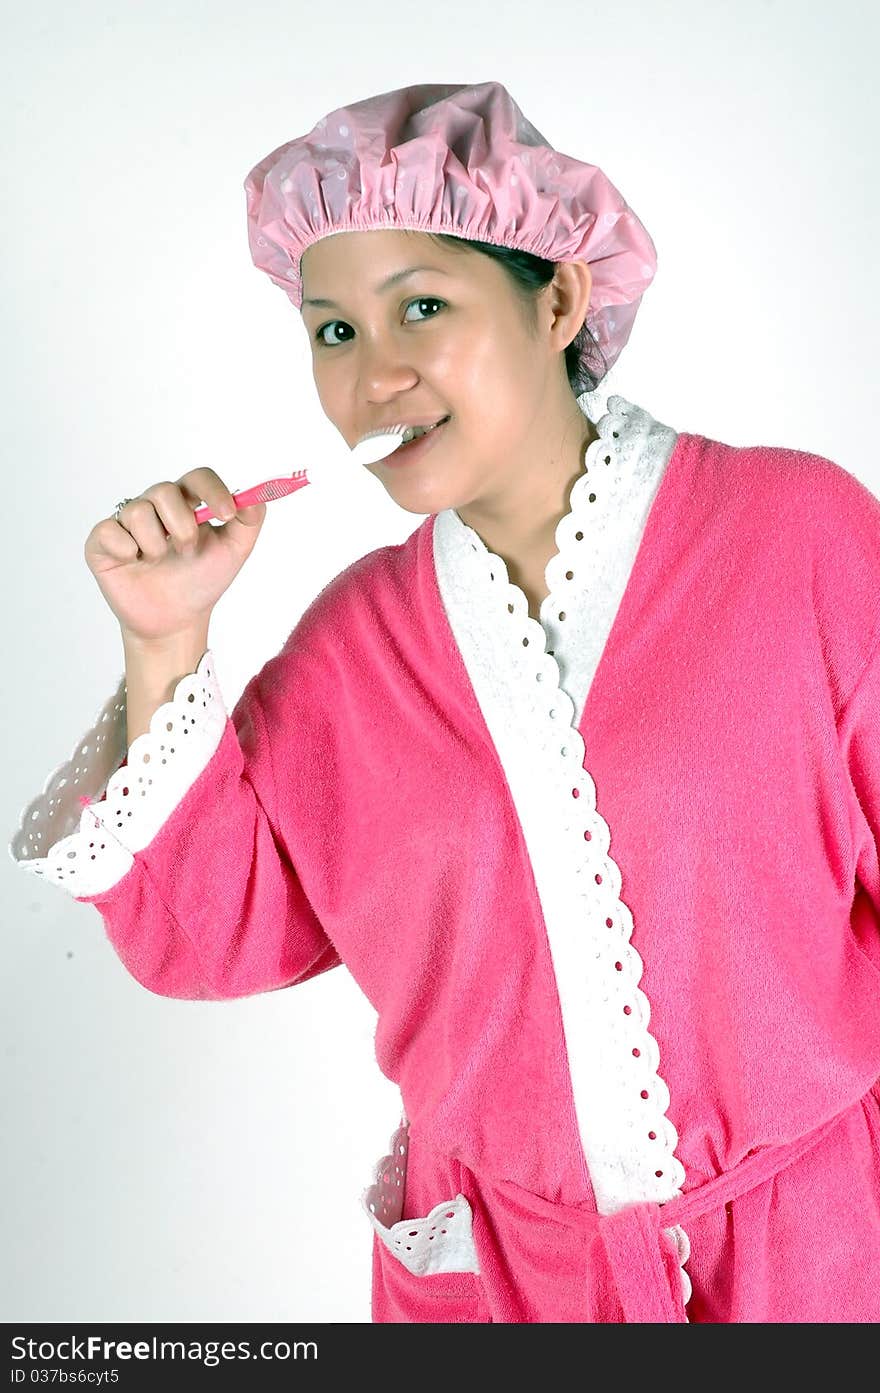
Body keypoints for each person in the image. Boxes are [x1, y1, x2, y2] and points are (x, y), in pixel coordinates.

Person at [9, 79, 880, 1324]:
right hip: (499, 1288)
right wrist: (164, 642)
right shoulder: (353, 648)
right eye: (335, 333)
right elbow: (208, 937)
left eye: (423, 306)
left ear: (559, 299)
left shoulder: (798, 538)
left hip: (821, 1263)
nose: (377, 376)